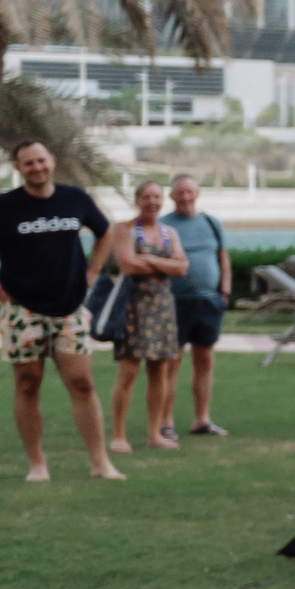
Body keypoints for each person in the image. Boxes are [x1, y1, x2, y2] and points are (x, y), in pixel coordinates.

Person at [0, 140, 124, 482]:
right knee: (28, 384)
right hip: (21, 309)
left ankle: (101, 463)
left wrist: (92, 273)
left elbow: (106, 233)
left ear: (52, 161)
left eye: (41, 161)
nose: (37, 168)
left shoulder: (75, 198)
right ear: (19, 168)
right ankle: (37, 464)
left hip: (69, 308)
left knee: (82, 383)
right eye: (28, 163)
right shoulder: (3, 206)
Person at [105, 181, 185, 453]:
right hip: (132, 307)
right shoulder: (123, 229)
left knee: (160, 370)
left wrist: (149, 260)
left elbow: (182, 267)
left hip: (162, 307)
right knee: (128, 371)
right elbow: (128, 264)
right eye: (146, 197)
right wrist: (166, 264)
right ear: (137, 199)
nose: (152, 201)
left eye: (156, 197)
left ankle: (154, 434)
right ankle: (118, 435)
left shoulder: (169, 232)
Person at [163, 174, 230, 436]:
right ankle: (165, 422)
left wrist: (225, 290)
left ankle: (202, 419)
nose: (185, 198)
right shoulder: (163, 224)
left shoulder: (212, 223)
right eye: (180, 193)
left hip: (209, 302)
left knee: (204, 361)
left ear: (197, 193)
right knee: (171, 363)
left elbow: (223, 257)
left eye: (189, 192)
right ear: (172, 196)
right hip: (174, 303)